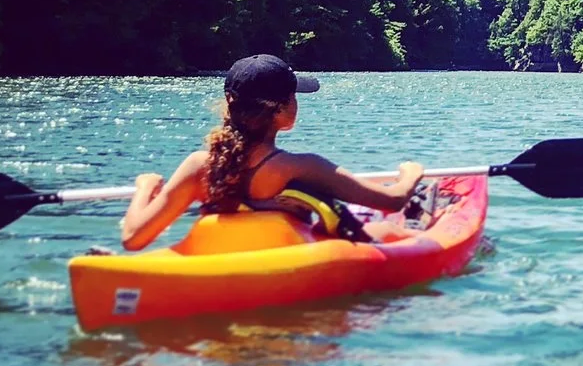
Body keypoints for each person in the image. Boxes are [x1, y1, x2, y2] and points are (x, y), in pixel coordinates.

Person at [118, 55, 424, 251]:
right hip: (284, 266)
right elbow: (392, 199)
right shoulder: (300, 167)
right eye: (293, 96)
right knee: (387, 230)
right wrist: (410, 175)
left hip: (222, 263)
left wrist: (145, 188)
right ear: (280, 108)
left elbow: (133, 238)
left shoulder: (200, 166)